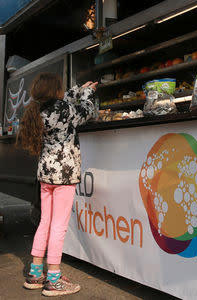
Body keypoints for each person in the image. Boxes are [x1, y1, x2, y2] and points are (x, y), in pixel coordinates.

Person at [16, 72, 98, 297]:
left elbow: (66, 103)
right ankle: (53, 278)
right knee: (58, 226)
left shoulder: (38, 110)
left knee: (45, 222)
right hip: (64, 175)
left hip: (46, 174)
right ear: (55, 91)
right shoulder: (63, 110)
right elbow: (86, 112)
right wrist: (89, 93)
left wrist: (77, 91)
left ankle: (35, 273)